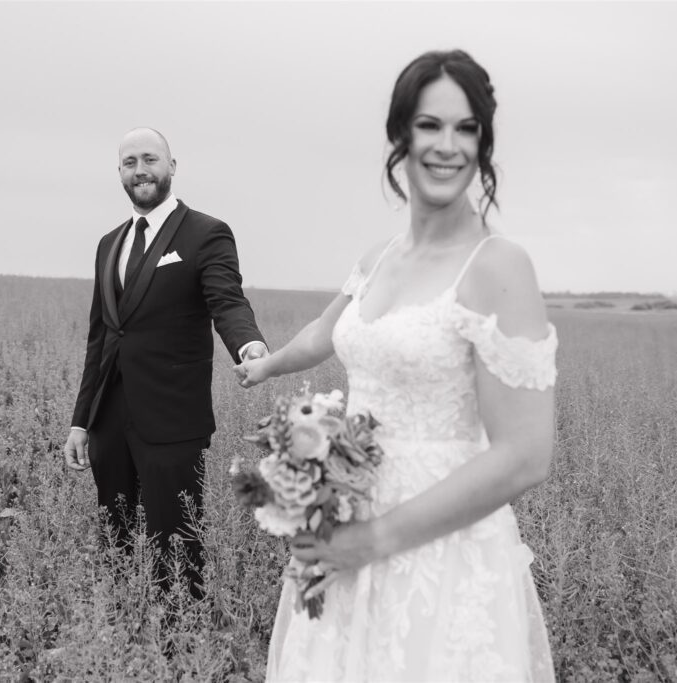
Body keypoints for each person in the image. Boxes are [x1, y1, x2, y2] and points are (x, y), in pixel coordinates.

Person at [234, 50, 557, 681]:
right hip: (345, 522)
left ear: (484, 144)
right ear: (400, 136)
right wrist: (267, 367)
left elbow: (525, 453)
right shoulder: (380, 256)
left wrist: (373, 542)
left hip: (439, 551)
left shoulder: (497, 266)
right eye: (430, 125)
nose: (448, 145)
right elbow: (326, 333)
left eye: (467, 129)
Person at [64, 127, 267, 596]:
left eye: (151, 159)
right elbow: (102, 338)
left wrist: (248, 345)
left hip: (173, 420)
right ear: (119, 172)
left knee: (177, 545)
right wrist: (81, 422)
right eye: (130, 162)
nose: (141, 170)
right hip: (109, 421)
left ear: (172, 166)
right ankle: (121, 630)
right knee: (114, 540)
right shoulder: (108, 244)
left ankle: (180, 647)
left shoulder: (206, 233)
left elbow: (227, 302)